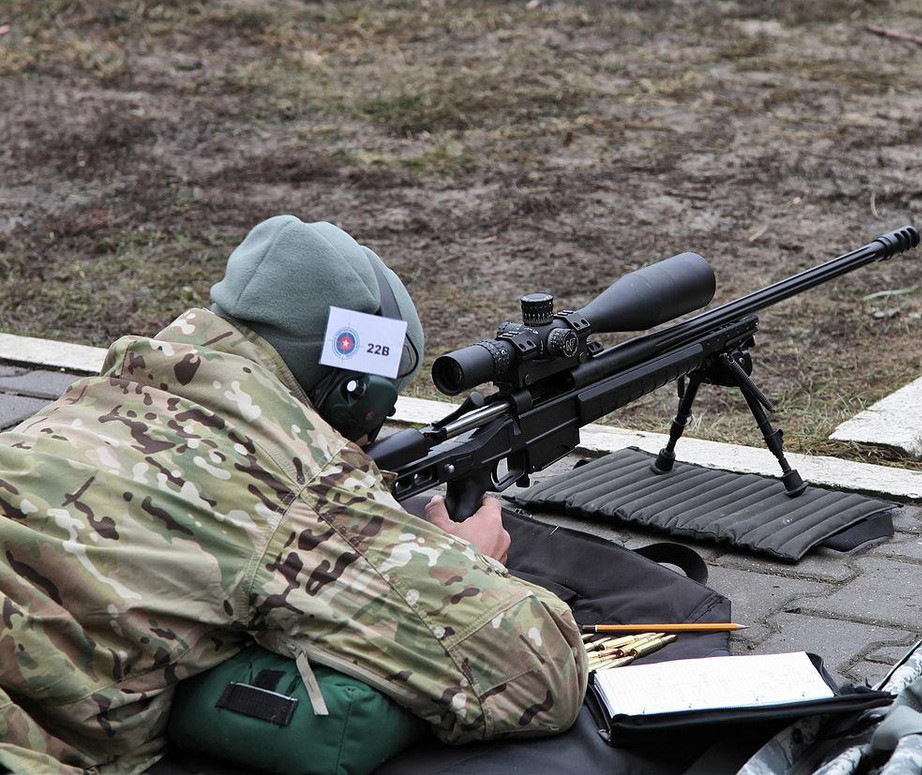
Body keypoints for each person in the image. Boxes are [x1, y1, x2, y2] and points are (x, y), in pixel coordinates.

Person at [0, 215, 588, 774]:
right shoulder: (298, 482)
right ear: (353, 389)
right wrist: (470, 564)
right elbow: (537, 673)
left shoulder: (78, 407)